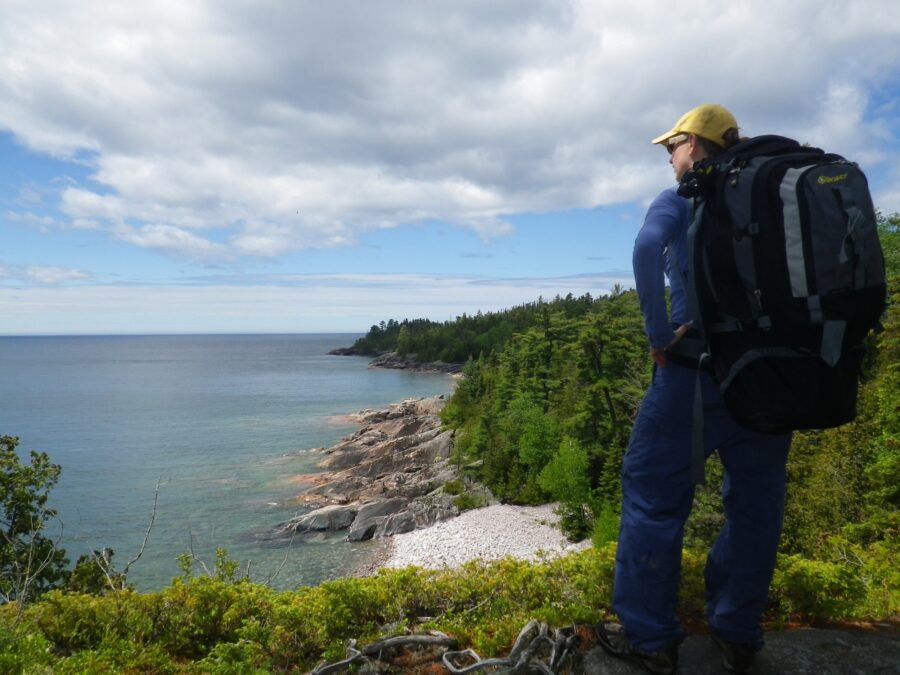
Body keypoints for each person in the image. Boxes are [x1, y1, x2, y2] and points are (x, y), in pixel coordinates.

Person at [596, 104, 793, 674]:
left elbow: (643, 250)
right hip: (769, 380)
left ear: (696, 147)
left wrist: (659, 335)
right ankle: (737, 631)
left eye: (672, 148)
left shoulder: (685, 195)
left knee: (653, 500)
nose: (670, 159)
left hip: (693, 377)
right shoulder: (772, 195)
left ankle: (652, 639)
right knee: (756, 507)